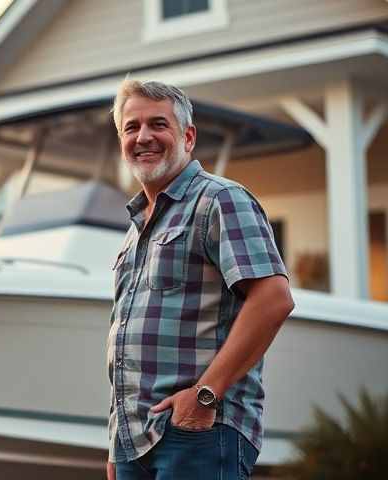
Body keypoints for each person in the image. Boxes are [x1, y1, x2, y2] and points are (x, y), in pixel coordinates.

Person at [105, 79, 294, 480]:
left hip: (198, 433)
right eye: (131, 127)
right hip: (133, 441)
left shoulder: (219, 200)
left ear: (187, 137)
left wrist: (204, 397)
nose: (143, 137)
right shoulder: (136, 228)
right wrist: (116, 444)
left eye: (158, 124)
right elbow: (124, 342)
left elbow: (273, 299)